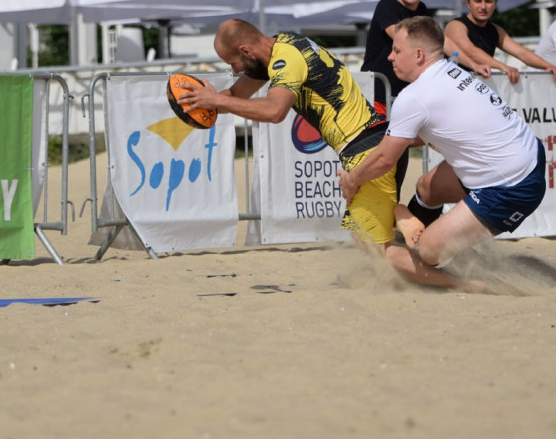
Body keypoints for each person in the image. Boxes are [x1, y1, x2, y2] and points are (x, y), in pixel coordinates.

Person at [179, 18, 479, 292]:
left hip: (366, 152)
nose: (235, 71)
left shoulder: (286, 60)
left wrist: (218, 101)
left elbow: (274, 111)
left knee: (378, 250)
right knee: (370, 238)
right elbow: (237, 95)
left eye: (233, 63)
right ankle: (401, 217)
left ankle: (464, 284)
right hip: (374, 142)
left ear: (245, 50)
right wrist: (206, 100)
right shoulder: (283, 45)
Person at [339, 16, 547, 293]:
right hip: (525, 155)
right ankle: (414, 244)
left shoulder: (414, 96)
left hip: (511, 186)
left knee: (427, 251)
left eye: (397, 50)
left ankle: (449, 275)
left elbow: (385, 159)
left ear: (419, 54)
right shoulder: (450, 71)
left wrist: (352, 180)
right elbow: (412, 138)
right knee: (426, 188)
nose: (389, 57)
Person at [360, 0, 433, 199]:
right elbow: (400, 38)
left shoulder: (423, 11)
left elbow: (433, 48)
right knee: (377, 156)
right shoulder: (387, 5)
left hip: (402, 96)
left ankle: (388, 219)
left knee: (397, 155)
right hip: (377, 93)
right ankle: (371, 222)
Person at [445, 0, 556, 84]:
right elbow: (470, 51)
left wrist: (549, 66)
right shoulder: (456, 25)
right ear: (468, 3)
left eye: (488, 1)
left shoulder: (495, 30)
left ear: (496, 3)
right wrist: (504, 67)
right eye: (478, 1)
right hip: (452, 86)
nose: (483, 6)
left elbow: (522, 53)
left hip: (476, 88)